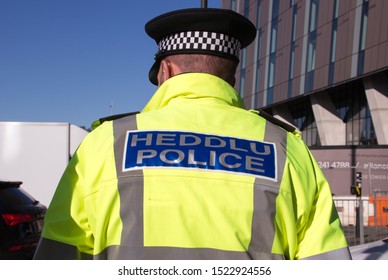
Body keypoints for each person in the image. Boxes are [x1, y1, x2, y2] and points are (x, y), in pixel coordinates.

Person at [33, 8, 351, 260]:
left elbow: (58, 255)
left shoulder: (106, 143)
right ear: (232, 77)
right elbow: (326, 260)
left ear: (166, 70)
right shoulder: (288, 149)